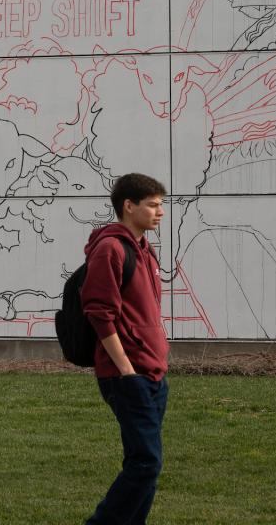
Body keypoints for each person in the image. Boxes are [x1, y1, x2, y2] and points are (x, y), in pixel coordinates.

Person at [81, 173, 169, 525]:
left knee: (143, 463)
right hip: (126, 375)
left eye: (161, 205)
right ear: (128, 206)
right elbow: (100, 315)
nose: (160, 212)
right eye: (152, 205)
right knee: (147, 463)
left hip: (153, 374)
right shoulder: (110, 249)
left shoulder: (145, 250)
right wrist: (127, 371)